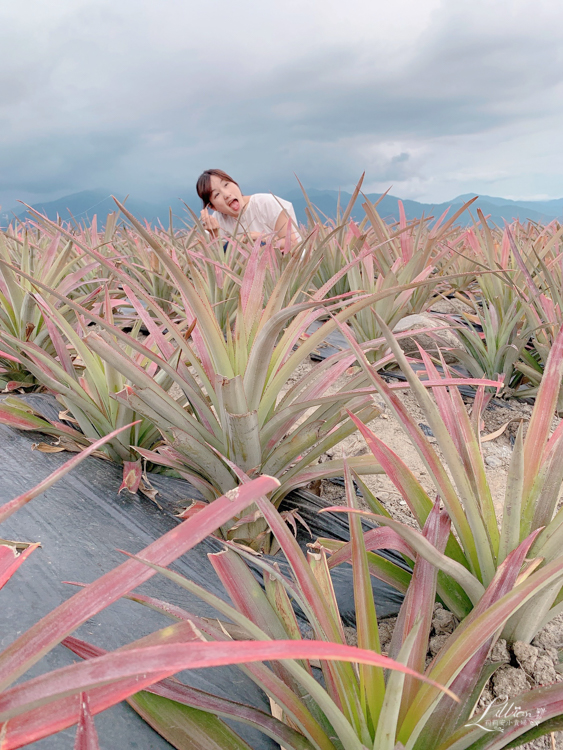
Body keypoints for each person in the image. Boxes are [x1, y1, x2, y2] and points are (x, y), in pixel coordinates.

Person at [196, 169, 301, 249]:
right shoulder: (217, 222)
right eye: (217, 194)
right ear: (212, 206)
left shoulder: (266, 204)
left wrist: (264, 238)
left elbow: (294, 245)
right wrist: (214, 235)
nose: (226, 194)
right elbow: (222, 263)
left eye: (226, 184)